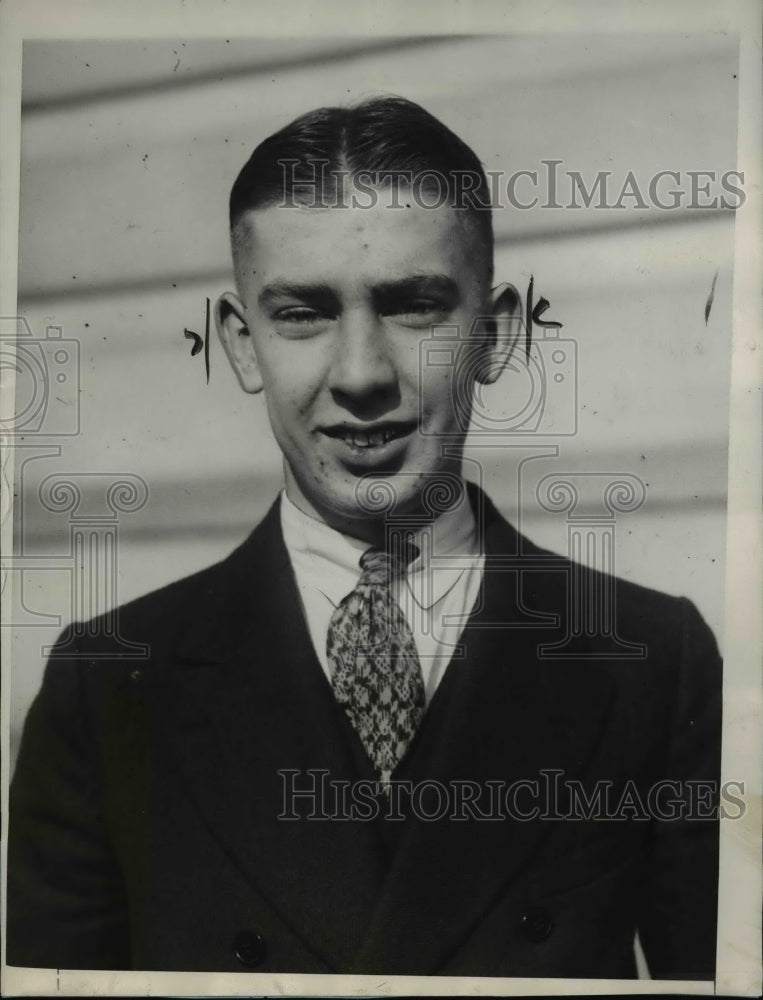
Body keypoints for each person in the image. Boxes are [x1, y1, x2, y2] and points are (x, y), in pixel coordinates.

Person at [7, 96, 721, 979]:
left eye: (413, 306)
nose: (359, 375)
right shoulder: (106, 687)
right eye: (302, 313)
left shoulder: (651, 662)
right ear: (239, 342)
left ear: (493, 335)